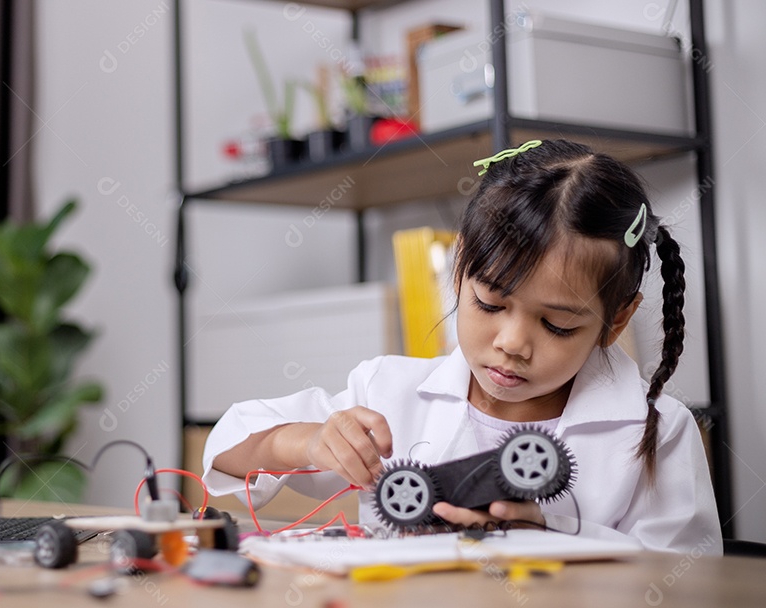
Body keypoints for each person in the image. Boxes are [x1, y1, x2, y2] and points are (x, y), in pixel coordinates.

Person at [202, 139, 722, 554]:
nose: (513, 343)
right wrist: (310, 442)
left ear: (616, 321)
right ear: (458, 272)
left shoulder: (658, 430)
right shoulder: (388, 393)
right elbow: (228, 447)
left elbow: (690, 581)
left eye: (558, 325)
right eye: (492, 305)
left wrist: (553, 536)